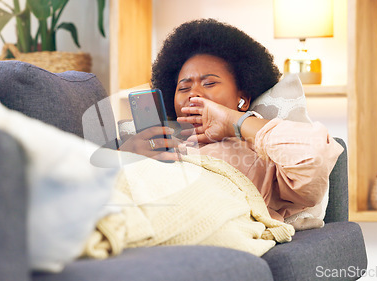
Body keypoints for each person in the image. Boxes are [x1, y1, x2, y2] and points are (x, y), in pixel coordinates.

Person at [119, 18, 343, 222]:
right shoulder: (163, 143)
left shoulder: (258, 156)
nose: (193, 94)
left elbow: (313, 157)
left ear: (243, 100)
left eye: (209, 83)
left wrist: (233, 121)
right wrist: (125, 158)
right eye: (184, 87)